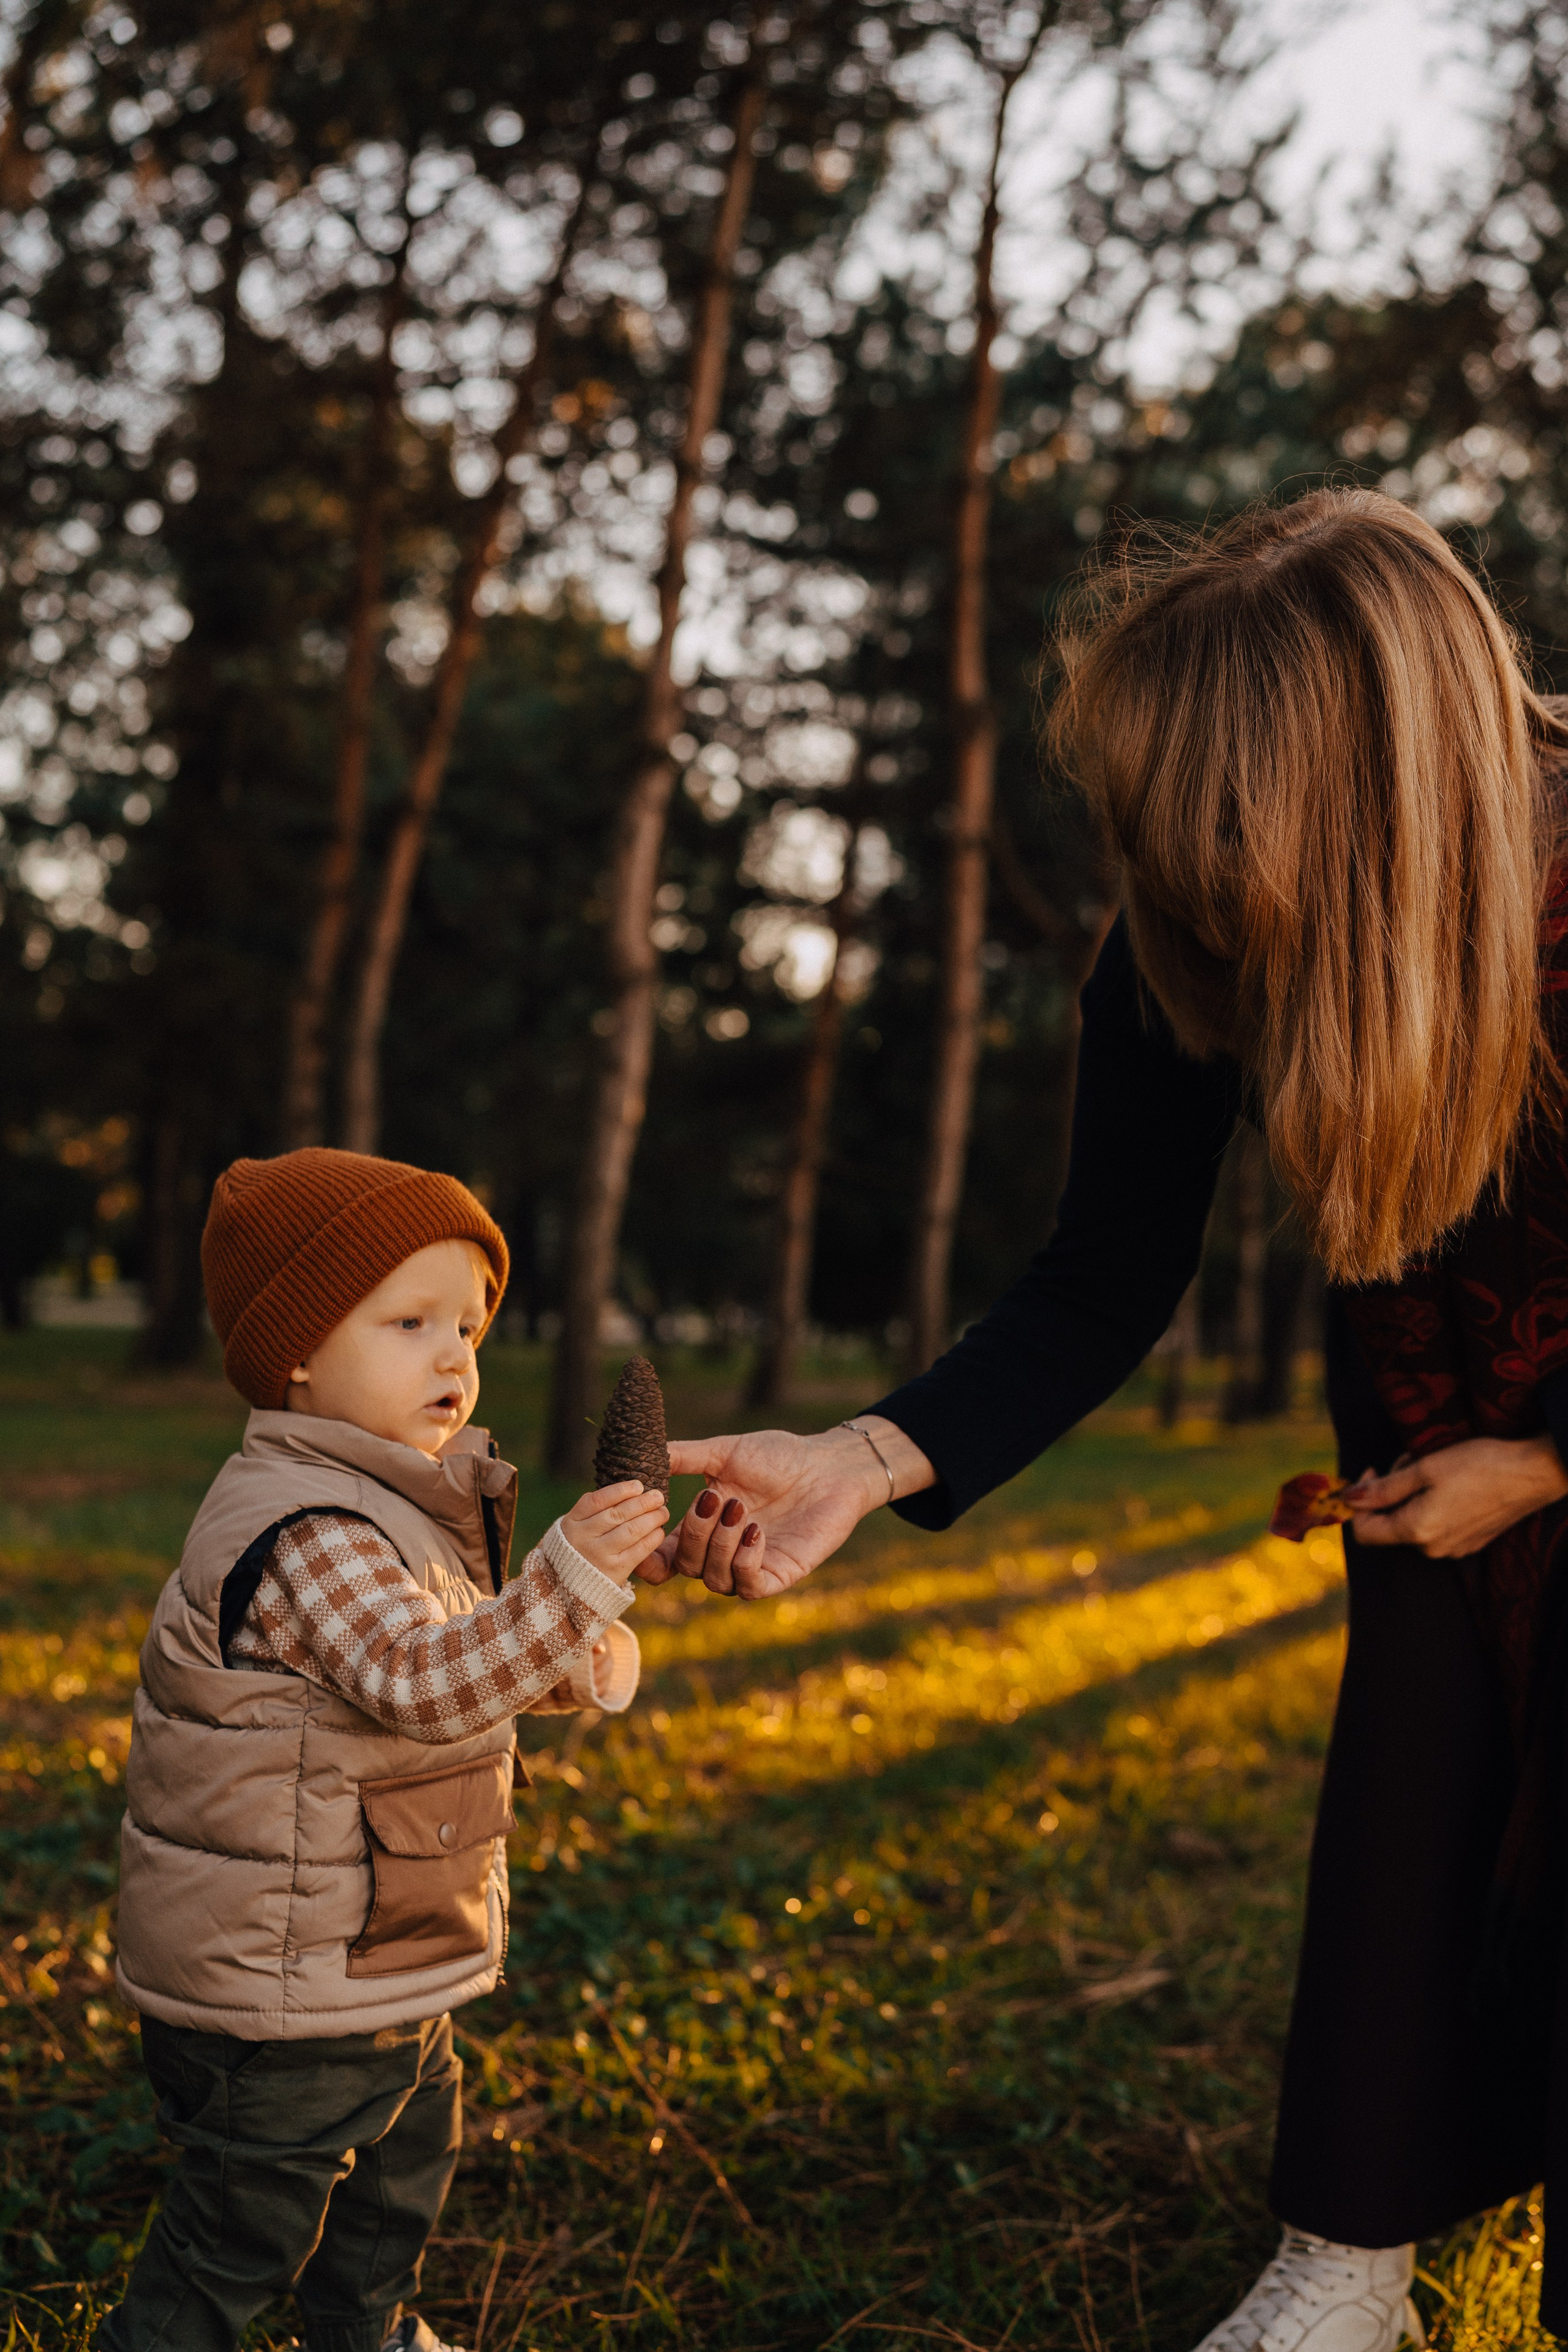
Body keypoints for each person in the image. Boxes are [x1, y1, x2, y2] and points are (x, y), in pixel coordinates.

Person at [646, 489, 1568, 2352]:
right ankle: (1346, 2258)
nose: (1205, 889)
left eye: (1241, 838)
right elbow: (1096, 1280)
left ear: (1373, 792)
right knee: (1409, 1814)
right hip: (1415, 1434)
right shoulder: (1199, 913)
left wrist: (1551, 1465)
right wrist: (862, 1459)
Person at [105, 1147, 669, 2352]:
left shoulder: (392, 1502)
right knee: (239, 2238)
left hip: (372, 1952)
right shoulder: (309, 1529)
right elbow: (422, 1686)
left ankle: (364, 2331)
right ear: (298, 1349)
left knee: (396, 2174)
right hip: (282, 1990)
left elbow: (457, 1645)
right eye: (409, 1321)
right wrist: (571, 1580)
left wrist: (582, 1646)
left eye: (466, 1324)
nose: (455, 1355)